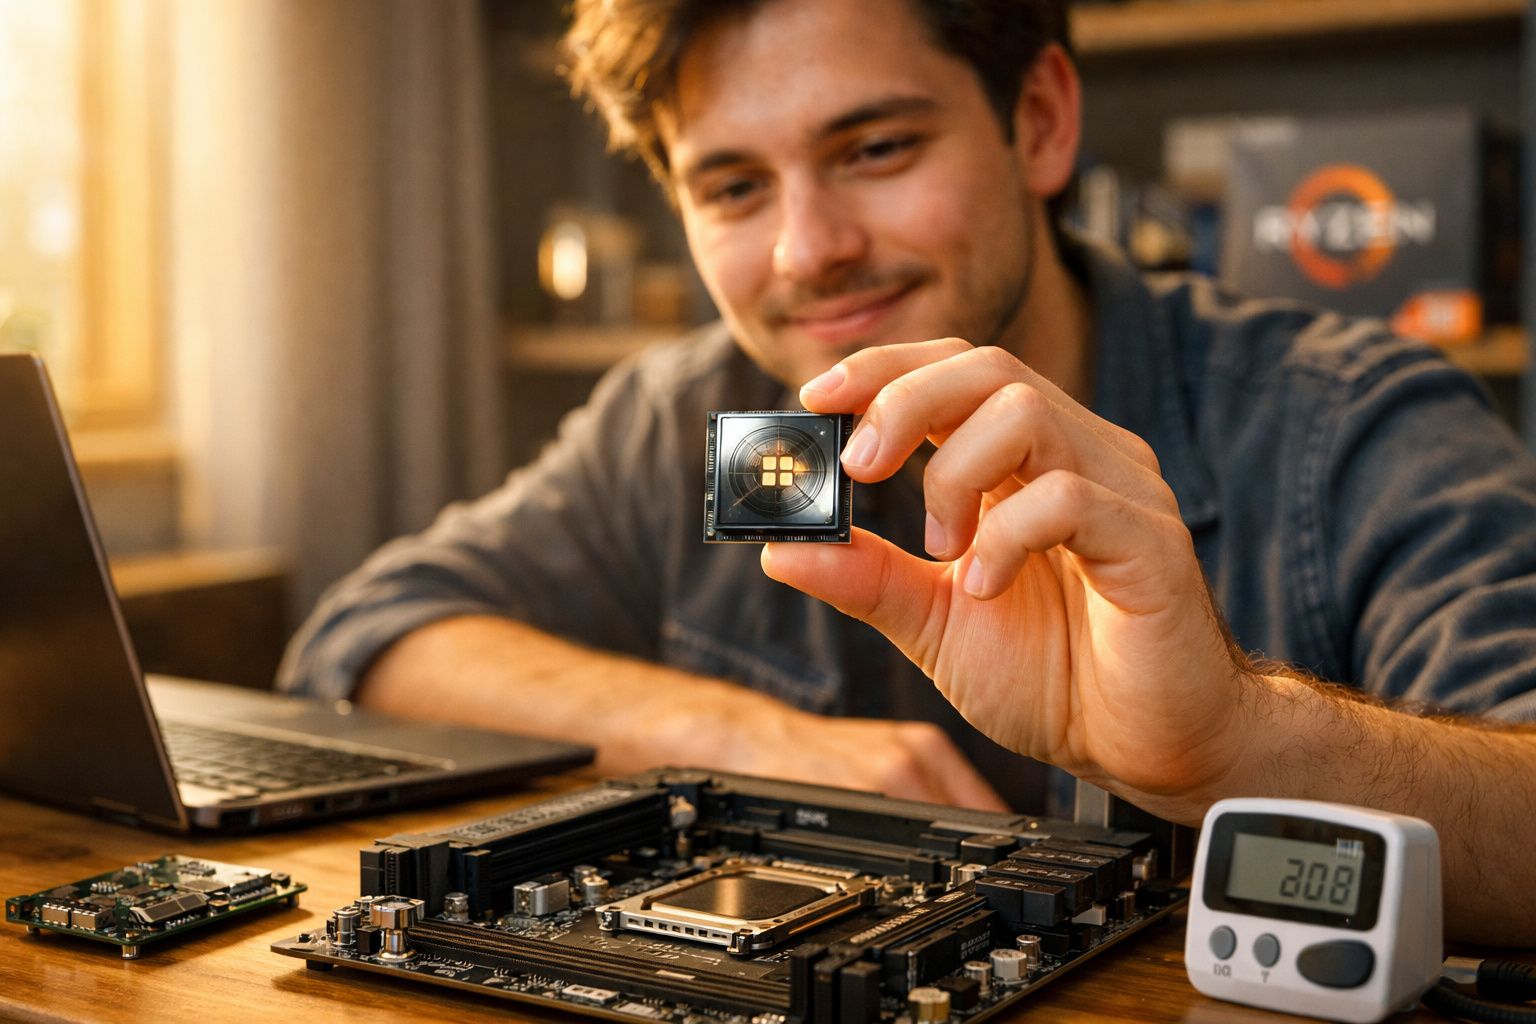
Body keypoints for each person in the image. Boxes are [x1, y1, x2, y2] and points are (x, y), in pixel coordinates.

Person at [279, 0, 1536, 941]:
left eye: (874, 147)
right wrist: (741, 737)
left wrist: (1232, 738)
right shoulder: (685, 416)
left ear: (1038, 123)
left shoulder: (1346, 417)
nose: (807, 250)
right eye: (731, 185)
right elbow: (370, 638)